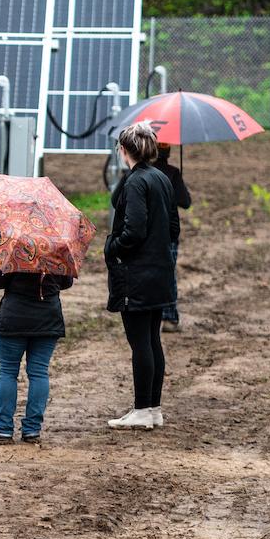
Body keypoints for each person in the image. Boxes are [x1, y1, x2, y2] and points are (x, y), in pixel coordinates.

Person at [104, 121, 179, 431]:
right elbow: (174, 228)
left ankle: (141, 410)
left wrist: (113, 247)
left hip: (136, 275)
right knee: (152, 340)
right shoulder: (161, 178)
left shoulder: (136, 183)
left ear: (123, 150)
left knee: (140, 344)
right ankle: (153, 408)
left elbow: (133, 229)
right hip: (160, 273)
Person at [0, 259, 74, 445]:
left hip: (15, 318)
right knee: (39, 372)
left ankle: (3, 430)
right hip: (48, 318)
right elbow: (67, 282)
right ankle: (32, 430)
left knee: (8, 372)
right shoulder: (57, 248)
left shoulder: (13, 247)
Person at [154, 143, 192, 332]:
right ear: (168, 153)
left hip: (148, 234)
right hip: (168, 233)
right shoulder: (173, 173)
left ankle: (150, 315)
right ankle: (169, 317)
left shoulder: (143, 173)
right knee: (168, 273)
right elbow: (185, 202)